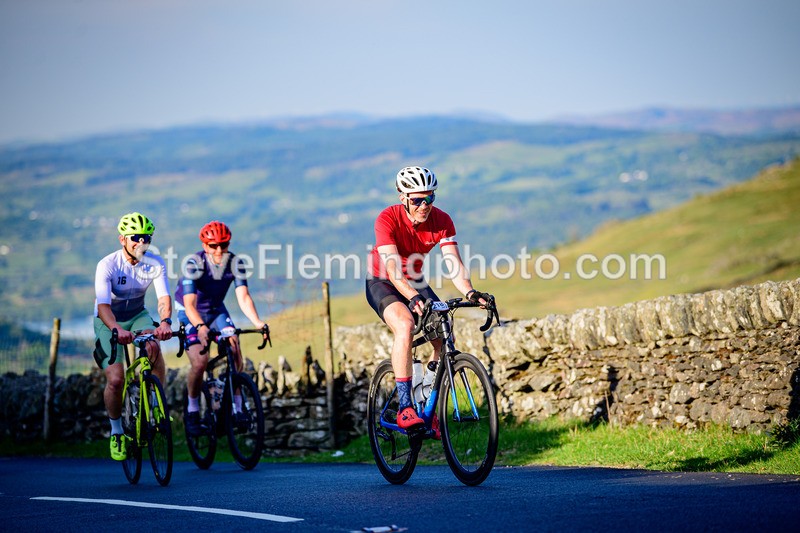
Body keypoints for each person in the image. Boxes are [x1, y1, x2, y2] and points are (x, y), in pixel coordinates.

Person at [366, 166, 491, 430]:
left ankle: (427, 402)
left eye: (430, 198)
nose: (424, 205)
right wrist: (412, 297)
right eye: (417, 200)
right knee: (405, 325)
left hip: (415, 280)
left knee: (444, 333)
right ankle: (405, 407)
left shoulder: (442, 221)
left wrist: (470, 292)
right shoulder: (387, 219)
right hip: (383, 281)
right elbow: (392, 268)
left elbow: (454, 264)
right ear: (403, 197)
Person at [175, 220, 268, 436]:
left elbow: (243, 297)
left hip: (216, 310)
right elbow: (189, 305)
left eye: (223, 245)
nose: (219, 250)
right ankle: (192, 411)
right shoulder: (194, 264)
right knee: (200, 363)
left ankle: (238, 407)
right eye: (213, 245)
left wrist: (258, 322)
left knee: (234, 346)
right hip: (191, 312)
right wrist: (200, 326)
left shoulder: (235, 263)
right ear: (205, 246)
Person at [93, 212, 173, 460]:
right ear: (123, 239)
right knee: (116, 380)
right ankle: (117, 432)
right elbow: (103, 306)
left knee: (153, 347)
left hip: (138, 315)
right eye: (136, 237)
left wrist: (165, 322)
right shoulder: (108, 264)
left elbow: (163, 299)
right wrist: (116, 329)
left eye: (146, 238)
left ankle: (155, 405)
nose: (141, 242)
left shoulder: (155, 263)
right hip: (108, 320)